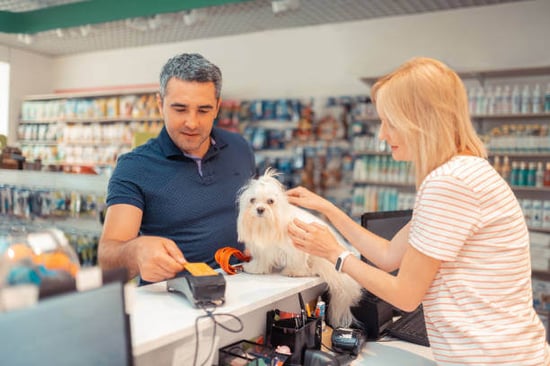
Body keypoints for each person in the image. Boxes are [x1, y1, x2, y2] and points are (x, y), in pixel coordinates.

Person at [287, 57, 549, 365]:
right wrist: (328, 209)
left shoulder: (449, 183)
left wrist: (336, 255)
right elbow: (387, 256)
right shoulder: (465, 170)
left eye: (390, 122)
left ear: (420, 121)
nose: (383, 135)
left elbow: (405, 295)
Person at [98, 53, 255, 284]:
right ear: (160, 104)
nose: (191, 123)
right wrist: (136, 252)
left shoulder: (240, 147)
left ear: (217, 107)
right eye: (180, 109)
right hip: (170, 305)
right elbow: (107, 257)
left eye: (203, 110)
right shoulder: (134, 167)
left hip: (244, 292)